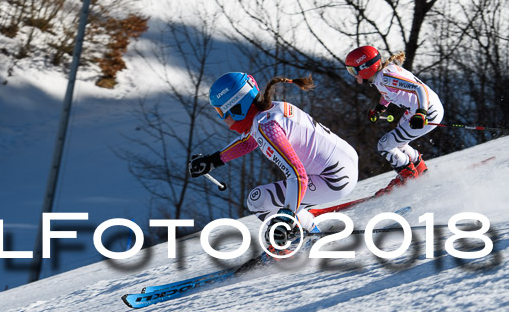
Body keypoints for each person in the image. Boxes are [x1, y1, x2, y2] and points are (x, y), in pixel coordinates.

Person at [189, 72, 359, 253]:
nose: (223, 118)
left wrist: (286, 219)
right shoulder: (272, 110)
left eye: (221, 111)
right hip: (346, 164)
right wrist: (212, 161)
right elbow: (248, 141)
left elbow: (297, 175)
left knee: (257, 200)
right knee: (284, 199)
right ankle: (301, 218)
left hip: (334, 181)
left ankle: (308, 236)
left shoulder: (265, 127)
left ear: (236, 107)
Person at [344, 45, 444, 194]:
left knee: (384, 145)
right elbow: (389, 92)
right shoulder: (380, 77)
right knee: (399, 144)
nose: (353, 75)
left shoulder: (386, 77)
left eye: (353, 71)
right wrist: (380, 108)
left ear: (365, 68)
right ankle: (420, 170)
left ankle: (408, 177)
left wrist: (421, 112)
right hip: (417, 110)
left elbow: (419, 89)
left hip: (427, 112)